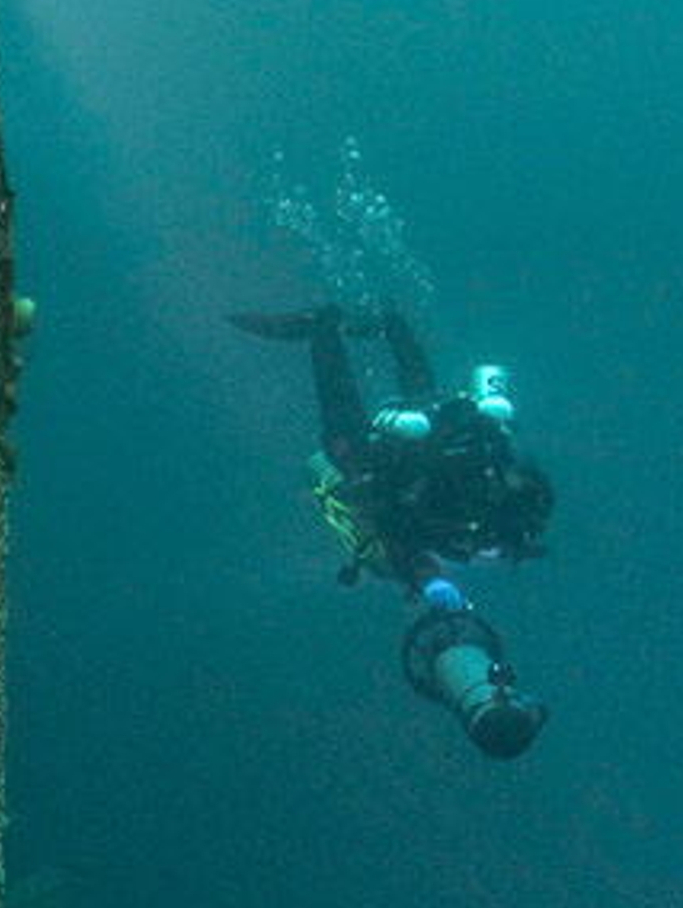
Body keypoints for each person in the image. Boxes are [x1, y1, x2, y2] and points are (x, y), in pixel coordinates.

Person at [233, 306, 556, 755]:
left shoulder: (502, 501)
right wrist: (431, 576)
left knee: (417, 403)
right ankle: (329, 328)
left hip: (435, 460)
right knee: (351, 439)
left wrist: (432, 577)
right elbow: (409, 536)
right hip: (417, 472)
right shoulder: (485, 503)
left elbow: (419, 543)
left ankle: (378, 320)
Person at [231, 307, 552, 587]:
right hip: (409, 456)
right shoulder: (472, 515)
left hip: (438, 435)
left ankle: (389, 322)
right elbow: (400, 521)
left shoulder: (495, 493)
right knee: (346, 439)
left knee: (423, 399)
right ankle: (324, 328)